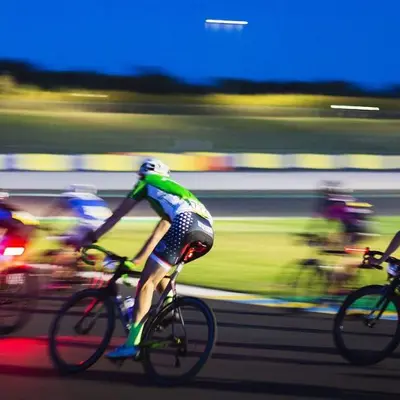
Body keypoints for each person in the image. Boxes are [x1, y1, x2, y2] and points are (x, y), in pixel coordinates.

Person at [79, 158, 215, 359]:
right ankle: (169, 307)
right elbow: (159, 234)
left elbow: (117, 215)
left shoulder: (146, 183)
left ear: (144, 173)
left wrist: (92, 237)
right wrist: (137, 260)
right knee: (159, 270)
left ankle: (132, 344)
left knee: (146, 283)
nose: (139, 179)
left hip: (186, 223)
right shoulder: (173, 193)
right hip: (207, 231)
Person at [44, 184, 112, 274]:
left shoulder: (70, 195)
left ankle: (63, 269)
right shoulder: (97, 199)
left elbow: (55, 209)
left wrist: (47, 224)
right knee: (77, 244)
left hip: (87, 225)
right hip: (104, 227)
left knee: (67, 242)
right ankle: (87, 261)